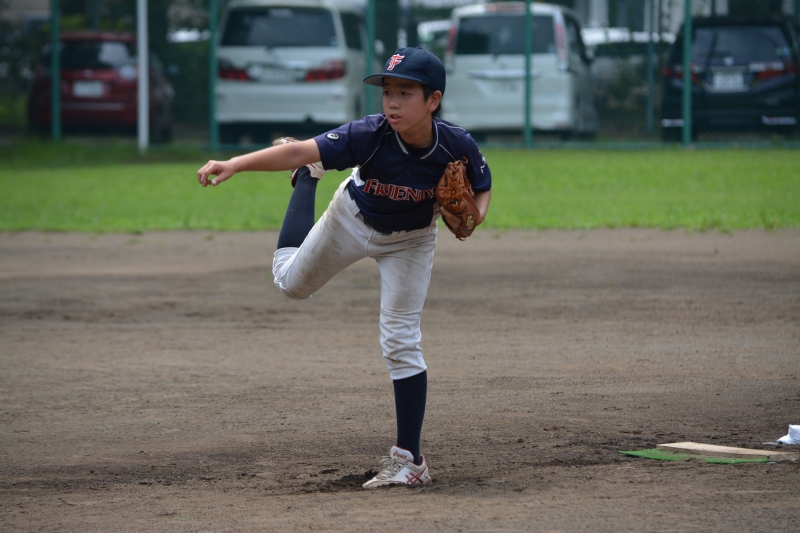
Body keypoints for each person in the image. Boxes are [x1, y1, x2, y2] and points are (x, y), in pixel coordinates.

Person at [197, 47, 492, 488]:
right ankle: (310, 177)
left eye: (405, 93)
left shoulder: (456, 144)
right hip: (351, 220)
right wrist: (235, 164)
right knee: (290, 283)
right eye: (388, 92)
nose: (392, 102)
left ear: (434, 100)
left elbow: (483, 185)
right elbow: (295, 150)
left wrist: (476, 215)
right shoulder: (368, 134)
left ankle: (409, 460)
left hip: (411, 240)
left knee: (401, 339)